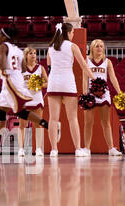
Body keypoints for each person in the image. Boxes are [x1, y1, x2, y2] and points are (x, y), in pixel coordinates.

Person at [0, 28, 49, 155]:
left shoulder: (2, 47)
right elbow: (22, 68)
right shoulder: (18, 50)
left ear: (5, 38)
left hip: (11, 82)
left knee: (20, 111)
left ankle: (48, 125)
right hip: (13, 81)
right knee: (1, 111)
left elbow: (1, 65)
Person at [46, 23, 95, 157]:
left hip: (53, 83)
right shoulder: (73, 46)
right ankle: (78, 149)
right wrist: (95, 79)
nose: (73, 35)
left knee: (53, 119)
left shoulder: (50, 48)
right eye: (72, 32)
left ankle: (54, 150)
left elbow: (49, 67)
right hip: (67, 82)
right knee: (72, 118)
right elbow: (84, 66)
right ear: (67, 33)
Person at [82, 39, 122, 157]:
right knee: (88, 123)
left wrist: (119, 92)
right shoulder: (87, 61)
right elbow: (85, 78)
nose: (99, 48)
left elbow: (113, 78)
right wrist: (84, 93)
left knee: (106, 122)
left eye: (101, 46)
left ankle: (111, 148)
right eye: (97, 46)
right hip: (90, 94)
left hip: (104, 93)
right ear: (92, 48)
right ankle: (87, 149)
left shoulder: (107, 62)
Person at [18, 47, 48, 157]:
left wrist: (39, 84)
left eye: (35, 53)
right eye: (31, 53)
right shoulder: (20, 69)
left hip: (37, 98)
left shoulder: (40, 68)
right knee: (22, 125)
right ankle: (21, 148)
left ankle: (39, 149)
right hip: (24, 99)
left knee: (38, 124)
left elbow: (47, 83)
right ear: (26, 55)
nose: (33, 55)